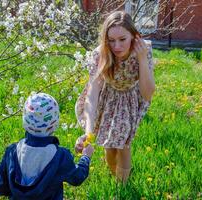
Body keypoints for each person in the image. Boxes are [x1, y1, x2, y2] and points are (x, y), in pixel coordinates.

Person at [75, 11, 155, 183]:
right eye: (111, 40)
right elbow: (93, 92)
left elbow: (148, 93)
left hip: (130, 97)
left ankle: (122, 186)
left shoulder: (143, 50)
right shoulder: (100, 54)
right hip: (108, 97)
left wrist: (141, 59)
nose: (116, 46)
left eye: (122, 39)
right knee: (109, 146)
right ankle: (114, 176)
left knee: (123, 145)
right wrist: (88, 131)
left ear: (134, 36)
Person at [0, 93, 94, 199]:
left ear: (25, 121)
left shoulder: (12, 152)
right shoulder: (60, 156)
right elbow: (77, 178)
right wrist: (85, 157)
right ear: (54, 124)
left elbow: (0, 188)